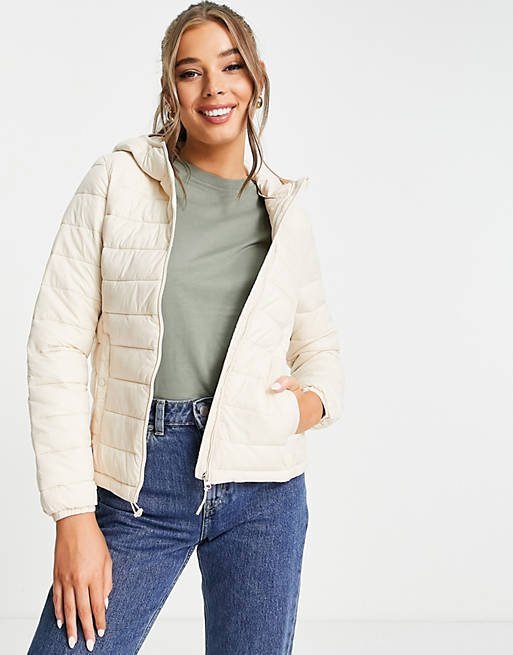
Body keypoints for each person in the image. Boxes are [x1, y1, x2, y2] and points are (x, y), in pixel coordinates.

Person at [26, 2, 344, 653]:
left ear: (257, 77)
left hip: (264, 490)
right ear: (170, 89)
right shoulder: (118, 182)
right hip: (141, 482)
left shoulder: (283, 215)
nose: (213, 88)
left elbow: (319, 351)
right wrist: (72, 514)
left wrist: (300, 409)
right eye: (190, 72)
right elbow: (55, 346)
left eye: (230, 67)